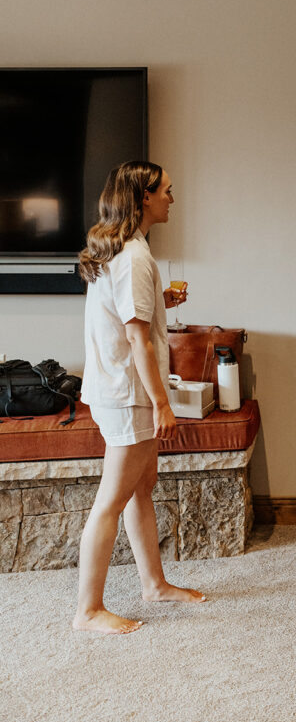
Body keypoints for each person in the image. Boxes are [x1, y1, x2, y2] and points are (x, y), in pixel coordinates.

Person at [73, 161, 206, 634]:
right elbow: (137, 341)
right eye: (167, 191)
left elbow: (128, 319)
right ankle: (88, 611)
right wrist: (163, 403)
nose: (173, 198)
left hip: (121, 390)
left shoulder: (127, 252)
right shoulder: (132, 255)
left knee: (141, 486)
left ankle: (154, 584)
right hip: (128, 394)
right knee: (111, 499)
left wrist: (158, 305)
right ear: (144, 197)